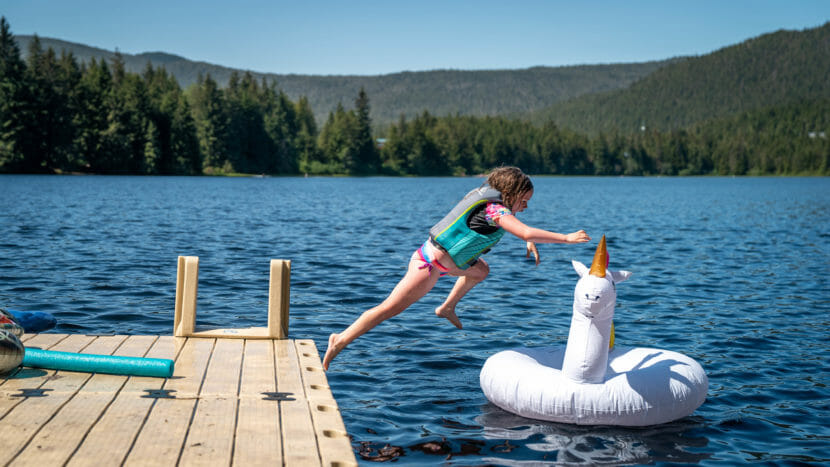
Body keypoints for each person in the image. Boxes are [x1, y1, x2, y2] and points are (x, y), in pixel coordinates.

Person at [322, 166, 591, 370]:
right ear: (509, 194)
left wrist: (531, 242)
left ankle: (447, 307)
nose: (526, 205)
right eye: (524, 200)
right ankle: (340, 339)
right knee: (387, 309)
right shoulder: (495, 210)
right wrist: (565, 238)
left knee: (481, 270)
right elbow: (525, 231)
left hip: (445, 264)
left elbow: (518, 231)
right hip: (428, 267)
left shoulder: (490, 204)